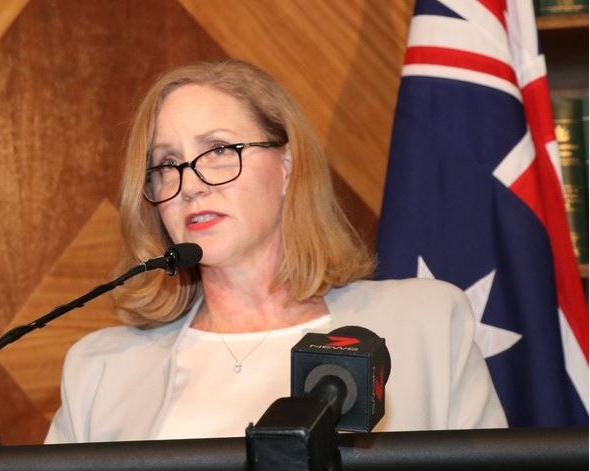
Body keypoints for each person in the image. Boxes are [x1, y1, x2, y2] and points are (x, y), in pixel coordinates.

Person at [45, 59, 507, 443]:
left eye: (220, 150)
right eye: (167, 164)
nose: (190, 185)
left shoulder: (426, 325)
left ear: (287, 166)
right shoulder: (100, 370)